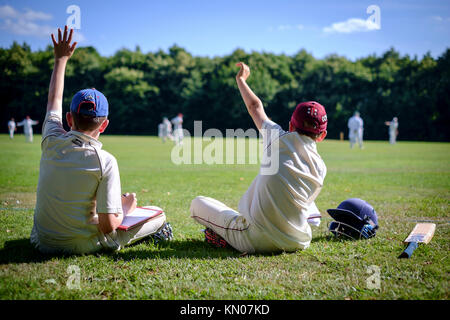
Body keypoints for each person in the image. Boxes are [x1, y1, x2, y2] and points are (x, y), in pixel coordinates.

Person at [30, 26, 169, 255]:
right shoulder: (105, 161)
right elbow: (108, 226)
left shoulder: (51, 139)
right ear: (104, 125)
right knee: (157, 212)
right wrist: (125, 207)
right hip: (81, 246)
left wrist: (61, 59)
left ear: (68, 118)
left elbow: (53, 99)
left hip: (40, 241)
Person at [189, 62, 328, 254]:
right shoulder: (321, 167)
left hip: (255, 239)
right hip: (297, 241)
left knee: (197, 203)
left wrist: (241, 80)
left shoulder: (278, 137)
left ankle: (226, 237)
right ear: (322, 135)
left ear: (291, 125)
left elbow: (255, 107)